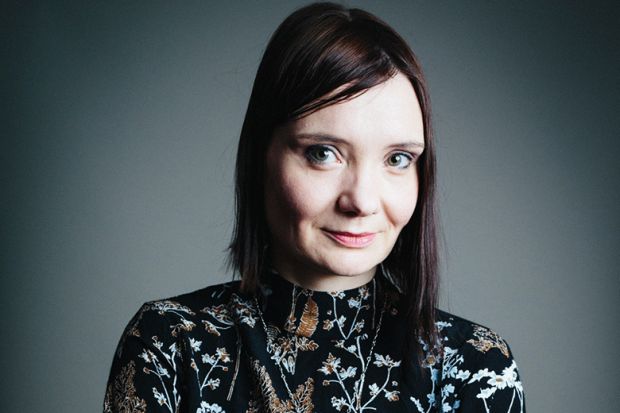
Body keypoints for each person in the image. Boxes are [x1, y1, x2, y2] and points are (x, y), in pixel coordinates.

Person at [103, 3, 525, 412]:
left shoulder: (475, 367)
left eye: (397, 159)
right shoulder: (169, 346)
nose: (361, 201)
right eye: (323, 153)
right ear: (261, 157)